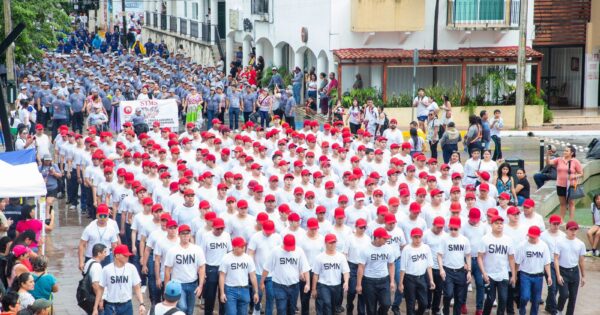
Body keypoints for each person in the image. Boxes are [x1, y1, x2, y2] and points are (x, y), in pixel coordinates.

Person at [261, 234, 310, 315]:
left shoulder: (299, 251)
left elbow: (305, 268)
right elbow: (266, 268)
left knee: (291, 310)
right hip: (279, 286)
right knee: (281, 309)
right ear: (283, 243)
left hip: (294, 285)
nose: (289, 250)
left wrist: (308, 283)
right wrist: (262, 281)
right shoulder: (275, 251)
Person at [477, 215, 516, 315]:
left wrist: (514, 274)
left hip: (503, 274)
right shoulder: (485, 239)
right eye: (496, 223)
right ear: (491, 224)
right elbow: (480, 257)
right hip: (489, 274)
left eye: (501, 223)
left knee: (503, 299)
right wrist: (483, 272)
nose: (499, 225)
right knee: (490, 299)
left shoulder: (508, 240)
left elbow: (511, 258)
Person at [164, 224, 206, 315]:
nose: (185, 236)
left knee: (190, 310)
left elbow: (202, 267)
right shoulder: (173, 250)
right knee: (182, 307)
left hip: (192, 283)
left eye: (187, 233)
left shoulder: (197, 249)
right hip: (178, 283)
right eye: (183, 234)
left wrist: (200, 286)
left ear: (190, 235)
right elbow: (167, 269)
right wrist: (166, 287)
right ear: (179, 235)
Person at [93, 244, 145, 315]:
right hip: (111, 306)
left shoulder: (131, 268)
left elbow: (137, 287)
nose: (127, 257)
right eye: (125, 255)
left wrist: (142, 304)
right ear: (117, 255)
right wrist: (95, 307)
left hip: (127, 305)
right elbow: (100, 288)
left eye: (128, 255)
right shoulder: (106, 269)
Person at [356, 227, 395, 315]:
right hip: (369, 281)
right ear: (377, 238)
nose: (386, 240)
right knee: (371, 309)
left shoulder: (388, 248)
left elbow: (391, 264)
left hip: (384, 280)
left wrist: (392, 281)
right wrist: (359, 285)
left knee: (386, 304)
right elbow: (361, 267)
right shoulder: (365, 249)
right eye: (384, 238)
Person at [515, 226, 552, 315]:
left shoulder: (543, 246)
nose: (532, 238)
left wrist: (549, 276)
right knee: (525, 297)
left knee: (536, 300)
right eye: (530, 236)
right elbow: (517, 262)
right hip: (525, 275)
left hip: (538, 275)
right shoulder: (522, 245)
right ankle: (522, 309)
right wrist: (515, 275)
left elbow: (547, 263)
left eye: (534, 237)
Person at [438, 217, 471, 315]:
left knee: (459, 298)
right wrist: (441, 269)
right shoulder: (444, 239)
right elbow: (439, 255)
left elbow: (468, 255)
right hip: (448, 270)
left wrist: (469, 271)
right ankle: (445, 311)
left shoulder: (464, 240)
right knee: (448, 294)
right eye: (451, 228)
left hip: (460, 271)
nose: (452, 231)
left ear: (459, 228)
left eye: (455, 229)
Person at [218, 237, 259, 315]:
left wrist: (256, 292)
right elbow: (222, 276)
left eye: (244, 246)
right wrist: (222, 293)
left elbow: (253, 276)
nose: (243, 248)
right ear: (234, 247)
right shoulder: (226, 258)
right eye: (241, 246)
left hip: (244, 289)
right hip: (230, 290)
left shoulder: (248, 258)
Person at [311, 234, 350, 315]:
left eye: (334, 242)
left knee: (333, 307)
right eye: (330, 243)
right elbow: (315, 274)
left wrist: (346, 282)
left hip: (337, 286)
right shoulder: (319, 257)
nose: (333, 245)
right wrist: (314, 289)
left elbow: (346, 271)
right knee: (326, 304)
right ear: (325, 243)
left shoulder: (341, 257)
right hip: (323, 285)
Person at [399, 227, 435, 315]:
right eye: (415, 237)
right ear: (411, 237)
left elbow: (429, 266)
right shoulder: (407, 249)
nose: (418, 239)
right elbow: (403, 268)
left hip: (421, 278)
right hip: (409, 279)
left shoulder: (426, 248)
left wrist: (431, 280)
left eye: (419, 237)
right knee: (410, 304)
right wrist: (400, 283)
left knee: (424, 303)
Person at [554, 221, 586, 315]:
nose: (573, 231)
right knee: (564, 294)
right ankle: (559, 309)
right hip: (563, 271)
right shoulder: (560, 242)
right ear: (566, 230)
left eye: (575, 229)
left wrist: (583, 276)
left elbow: (581, 261)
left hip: (574, 272)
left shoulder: (580, 244)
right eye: (571, 229)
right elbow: (556, 259)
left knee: (573, 297)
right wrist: (558, 274)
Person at [547, 145, 583, 220]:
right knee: (562, 204)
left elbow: (581, 173)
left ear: (572, 153)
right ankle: (562, 220)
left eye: (567, 151)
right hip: (560, 184)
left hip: (571, 185)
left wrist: (574, 176)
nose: (564, 152)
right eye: (564, 150)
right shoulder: (559, 159)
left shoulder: (575, 161)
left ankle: (571, 220)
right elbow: (549, 162)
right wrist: (548, 155)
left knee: (571, 204)